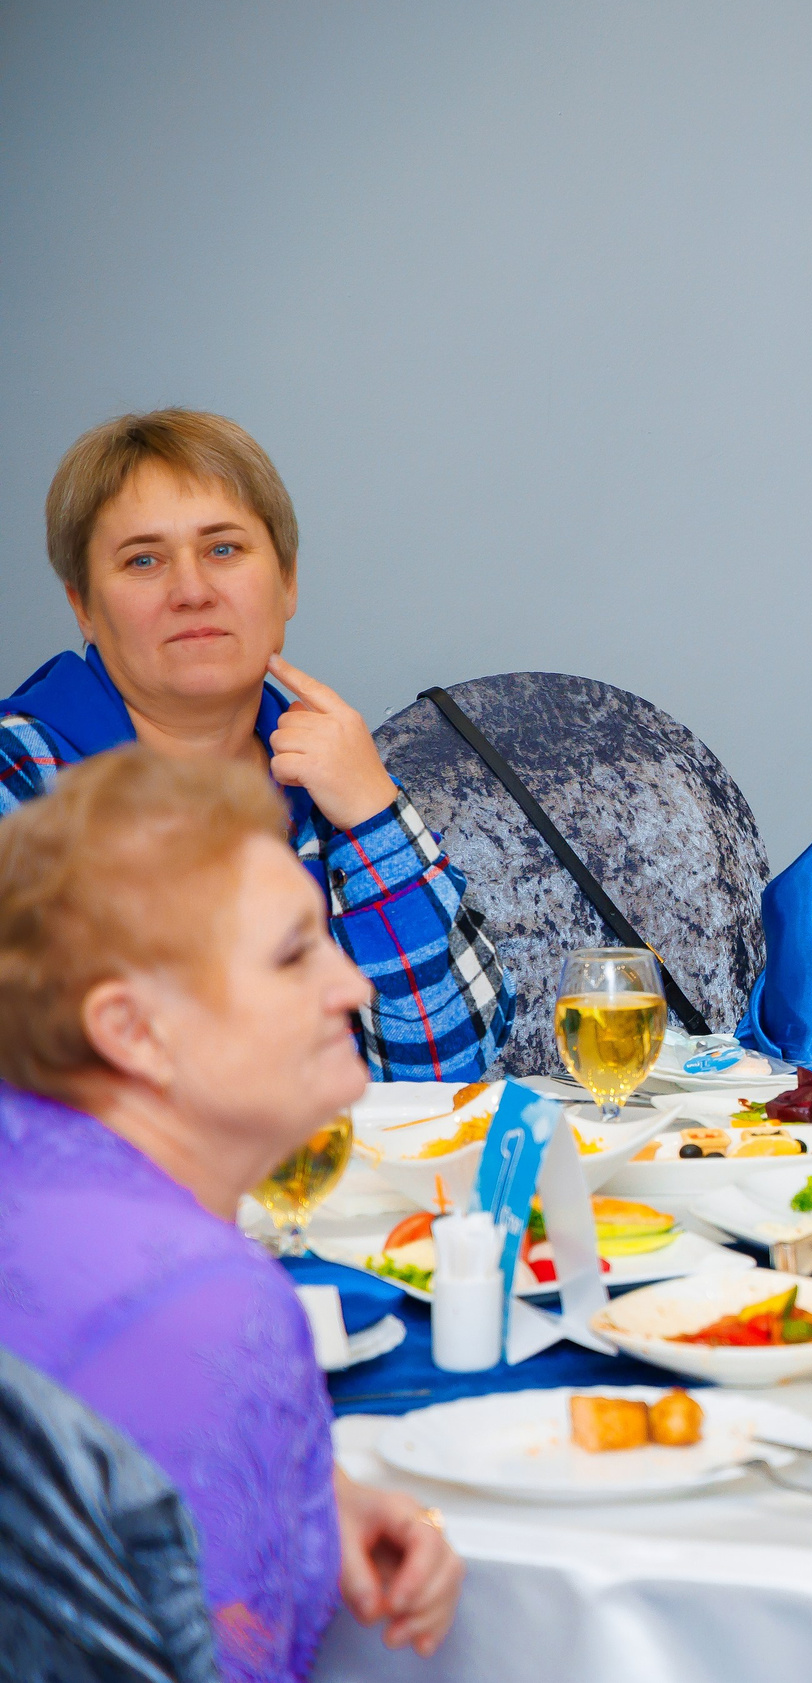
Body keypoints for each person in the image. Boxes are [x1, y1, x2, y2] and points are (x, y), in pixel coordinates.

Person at [0, 747, 463, 1681]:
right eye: (294, 954)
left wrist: (312, 1491)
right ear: (132, 1029)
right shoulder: (209, 1300)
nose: (355, 987)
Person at [0, 410, 512, 1079]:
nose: (192, 591)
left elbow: (447, 1069)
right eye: (144, 560)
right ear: (84, 607)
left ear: (287, 582)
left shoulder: (331, 773)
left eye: (223, 549)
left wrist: (375, 817)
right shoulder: (23, 779)